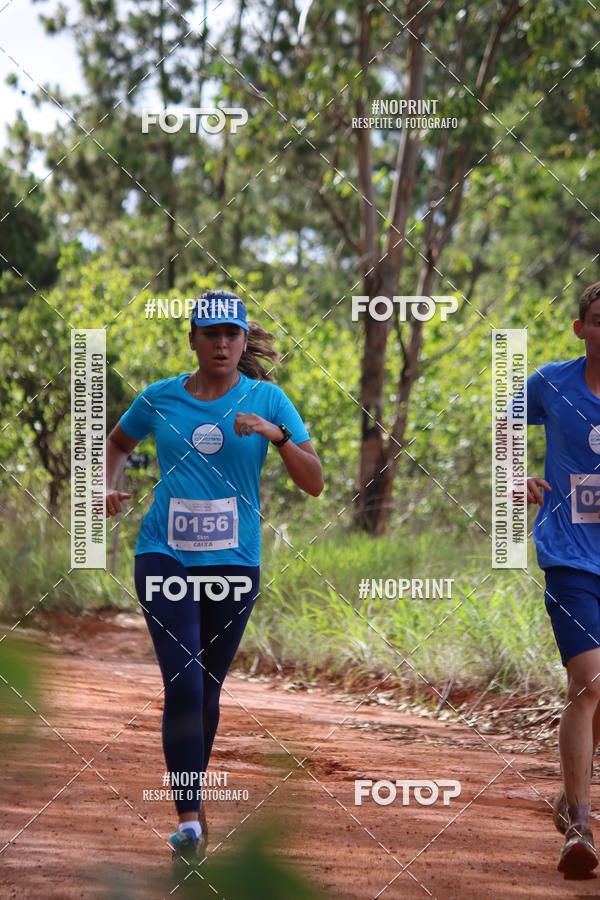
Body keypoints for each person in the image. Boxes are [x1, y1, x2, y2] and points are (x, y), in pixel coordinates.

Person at [104, 289, 323, 868]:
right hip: (163, 554)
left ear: (244, 340)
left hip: (233, 564)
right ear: (194, 339)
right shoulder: (159, 398)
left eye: (233, 334)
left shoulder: (269, 399)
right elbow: (118, 444)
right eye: (211, 333)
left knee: (207, 690)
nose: (222, 343)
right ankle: (190, 821)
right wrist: (107, 485)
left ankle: (192, 806)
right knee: (184, 682)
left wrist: (276, 437)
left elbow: (315, 481)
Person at [525, 281, 600, 877]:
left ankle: (571, 792)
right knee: (589, 682)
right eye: (598, 320)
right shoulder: (553, 382)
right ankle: (580, 819)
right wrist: (513, 477)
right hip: (570, 558)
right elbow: (504, 426)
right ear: (581, 328)